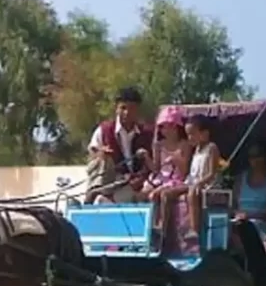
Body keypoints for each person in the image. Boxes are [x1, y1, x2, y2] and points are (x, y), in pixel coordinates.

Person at [85, 87, 154, 204]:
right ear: (116, 108)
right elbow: (93, 153)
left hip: (135, 183)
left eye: (131, 108)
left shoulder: (147, 133)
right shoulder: (104, 130)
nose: (127, 113)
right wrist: (100, 153)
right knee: (102, 162)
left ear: (137, 110)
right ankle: (94, 195)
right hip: (110, 180)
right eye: (123, 108)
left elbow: (152, 165)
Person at [142, 106, 194, 251]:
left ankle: (161, 232)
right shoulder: (158, 145)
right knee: (145, 194)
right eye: (163, 127)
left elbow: (185, 172)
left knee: (158, 195)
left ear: (177, 127)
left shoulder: (184, 145)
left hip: (176, 179)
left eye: (170, 126)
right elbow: (156, 168)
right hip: (161, 179)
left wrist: (177, 160)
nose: (166, 131)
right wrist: (146, 157)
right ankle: (149, 231)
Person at [184, 114, 223, 241]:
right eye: (188, 134)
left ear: (204, 133)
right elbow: (193, 173)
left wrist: (199, 183)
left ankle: (194, 229)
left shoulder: (212, 148)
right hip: (194, 183)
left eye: (192, 134)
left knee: (192, 193)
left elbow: (211, 173)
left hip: (209, 185)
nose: (189, 138)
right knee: (167, 193)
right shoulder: (196, 151)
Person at [232, 139, 266, 238]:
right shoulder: (240, 179)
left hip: (260, 225)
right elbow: (232, 205)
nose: (255, 160)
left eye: (258, 155)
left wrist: (250, 216)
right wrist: (237, 214)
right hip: (239, 222)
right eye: (251, 157)